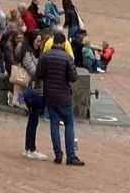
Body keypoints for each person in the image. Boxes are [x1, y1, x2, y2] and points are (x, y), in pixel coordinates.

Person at [37, 30, 82, 165]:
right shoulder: (67, 58)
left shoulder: (44, 56)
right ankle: (71, 155)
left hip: (49, 95)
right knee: (68, 123)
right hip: (64, 95)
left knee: (54, 123)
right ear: (63, 43)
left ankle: (58, 154)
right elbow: (73, 77)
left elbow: (39, 74)